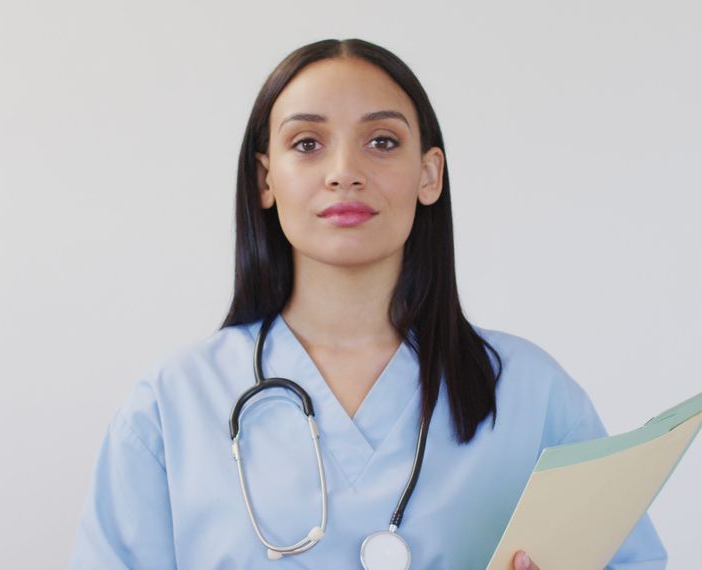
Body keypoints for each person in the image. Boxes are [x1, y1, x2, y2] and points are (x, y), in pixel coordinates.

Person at [69, 38, 668, 569]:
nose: (345, 171)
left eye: (381, 141)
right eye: (307, 143)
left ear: (429, 175)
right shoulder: (172, 404)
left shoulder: (532, 393)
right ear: (265, 180)